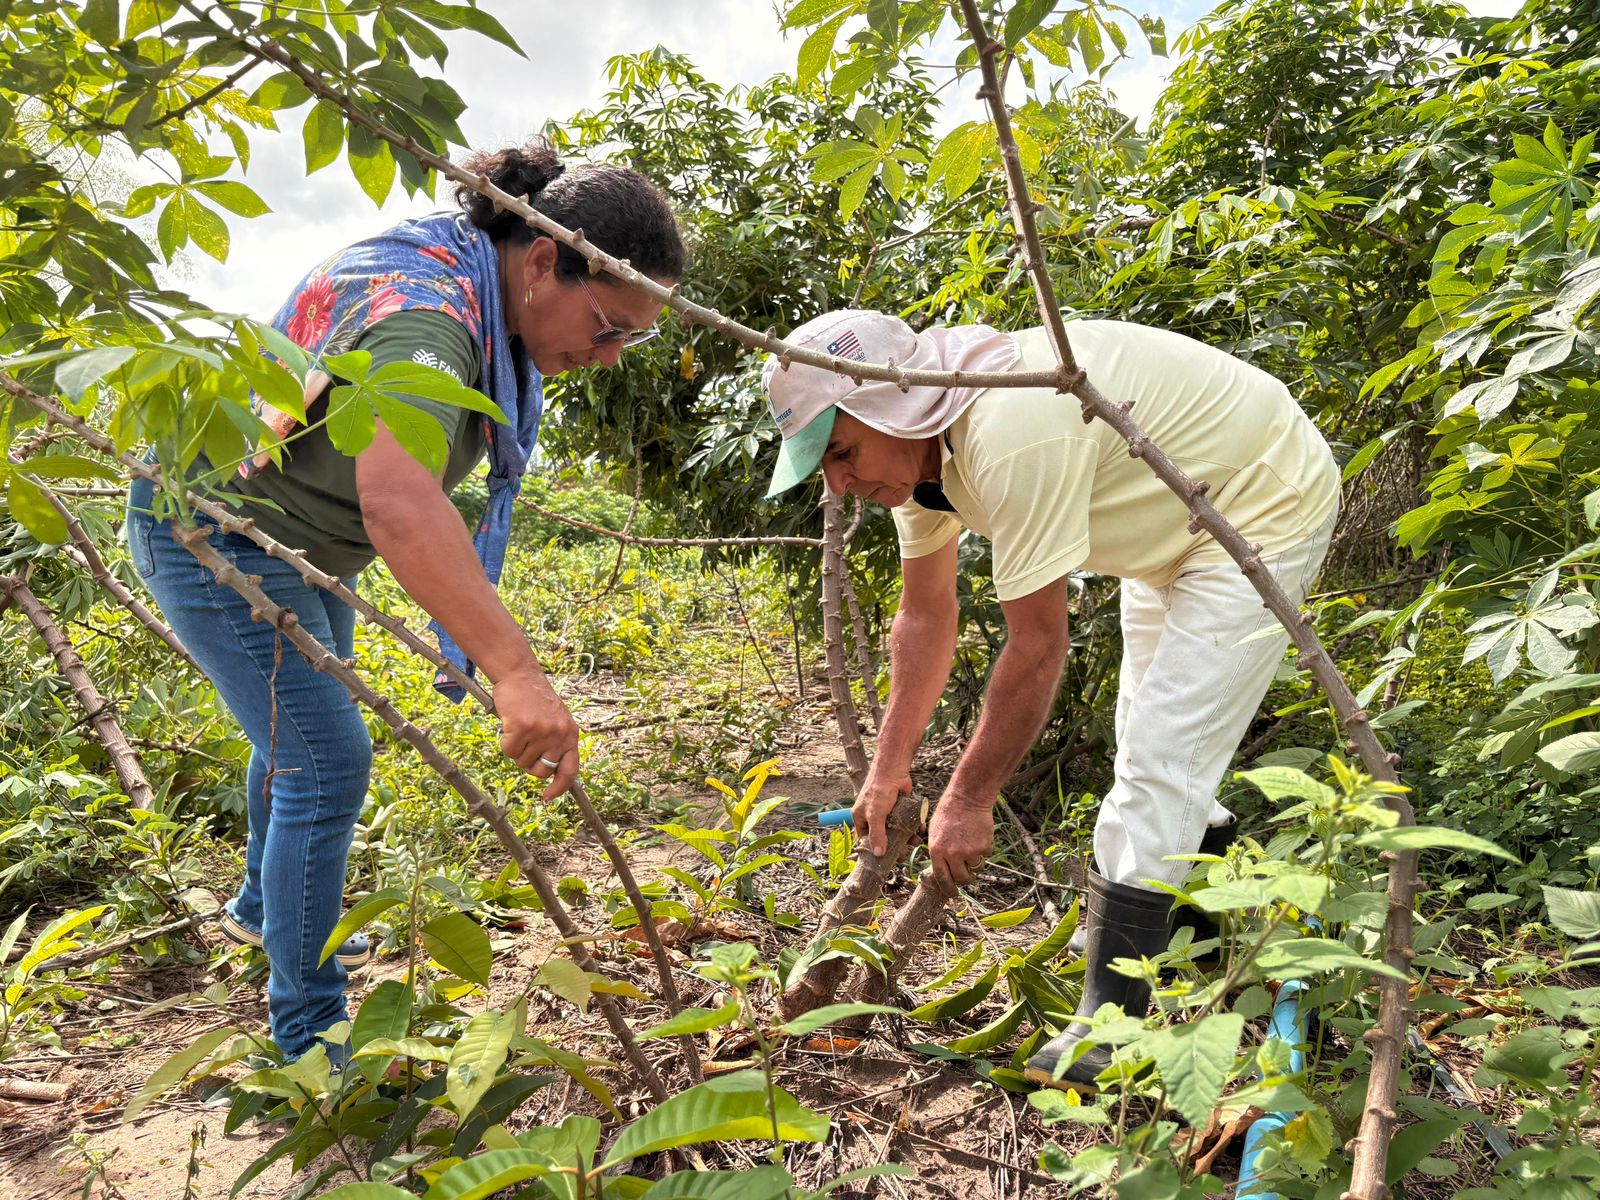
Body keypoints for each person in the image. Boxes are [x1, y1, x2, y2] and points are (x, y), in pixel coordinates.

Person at [125, 138, 684, 1065]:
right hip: (211, 532)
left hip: (302, 552)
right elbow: (398, 501)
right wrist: (517, 672)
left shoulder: (475, 300)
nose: (613, 354)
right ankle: (307, 1035)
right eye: (610, 324)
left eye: (635, 335)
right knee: (325, 762)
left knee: (294, 739)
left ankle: (265, 915)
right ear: (542, 261)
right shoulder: (427, 318)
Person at [762, 309, 1338, 1091]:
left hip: (1261, 501)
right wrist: (887, 768)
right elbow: (926, 616)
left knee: (1160, 759)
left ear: (891, 403)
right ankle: (1193, 945)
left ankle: (1110, 1026)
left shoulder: (1011, 428)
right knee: (1153, 738)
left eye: (842, 451)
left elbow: (1037, 645)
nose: (839, 482)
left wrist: (967, 798)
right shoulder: (920, 462)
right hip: (1167, 532)